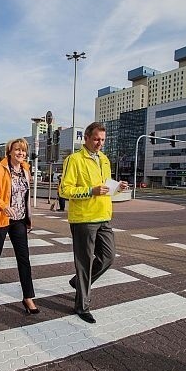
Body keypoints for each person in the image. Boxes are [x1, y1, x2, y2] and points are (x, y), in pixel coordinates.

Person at [60, 122, 128, 324]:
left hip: (104, 216)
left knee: (108, 257)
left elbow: (105, 187)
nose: (100, 143)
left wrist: (118, 187)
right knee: (84, 263)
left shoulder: (105, 159)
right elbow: (64, 190)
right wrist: (91, 191)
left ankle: (77, 283)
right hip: (83, 219)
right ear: (87, 138)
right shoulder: (74, 160)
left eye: (103, 140)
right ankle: (82, 306)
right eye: (97, 139)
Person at [0, 138, 38, 314]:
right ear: (9, 151)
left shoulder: (25, 170)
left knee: (24, 258)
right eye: (17, 150)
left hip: (19, 220)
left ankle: (28, 297)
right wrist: (2, 205)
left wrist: (28, 217)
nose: (21, 153)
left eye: (23, 150)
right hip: (1, 218)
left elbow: (25, 196)